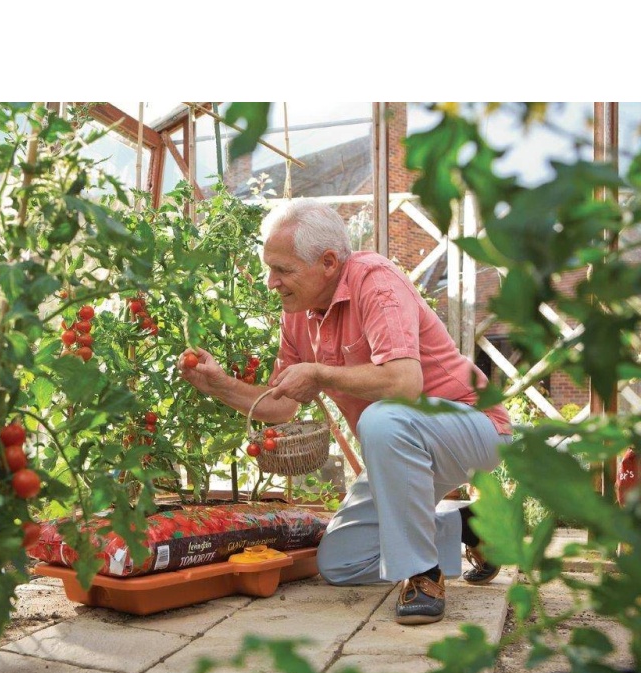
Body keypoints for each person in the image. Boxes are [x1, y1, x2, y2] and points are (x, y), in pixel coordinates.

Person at [178, 198, 512, 625]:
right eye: (269, 268)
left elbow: (403, 383)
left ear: (329, 261)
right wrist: (219, 384)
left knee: (381, 417)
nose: (270, 282)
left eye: (282, 269)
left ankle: (421, 575)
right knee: (341, 563)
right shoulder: (299, 314)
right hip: (400, 444)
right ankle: (467, 524)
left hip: (475, 427)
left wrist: (320, 373)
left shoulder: (376, 282)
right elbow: (280, 406)